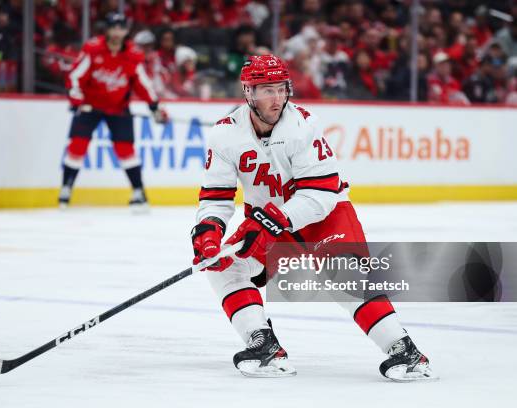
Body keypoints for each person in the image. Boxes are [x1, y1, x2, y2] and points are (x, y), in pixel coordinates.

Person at [190, 55, 436, 380]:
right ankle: (263, 347)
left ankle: (406, 352)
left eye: (281, 89)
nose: (277, 98)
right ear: (248, 93)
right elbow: (216, 197)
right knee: (222, 264)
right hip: (270, 222)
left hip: (324, 215)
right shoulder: (224, 135)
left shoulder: (303, 124)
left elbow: (321, 194)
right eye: (267, 90)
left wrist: (268, 221)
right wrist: (208, 233)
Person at [59, 13, 168, 210]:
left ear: (126, 31)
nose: (117, 32)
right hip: (89, 106)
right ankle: (66, 188)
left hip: (118, 108)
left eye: (121, 28)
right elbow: (75, 76)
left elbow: (143, 84)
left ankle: (138, 192)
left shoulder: (133, 55)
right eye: (114, 28)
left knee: (125, 149)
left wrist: (154, 106)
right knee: (77, 145)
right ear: (107, 30)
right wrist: (76, 99)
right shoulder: (93, 49)